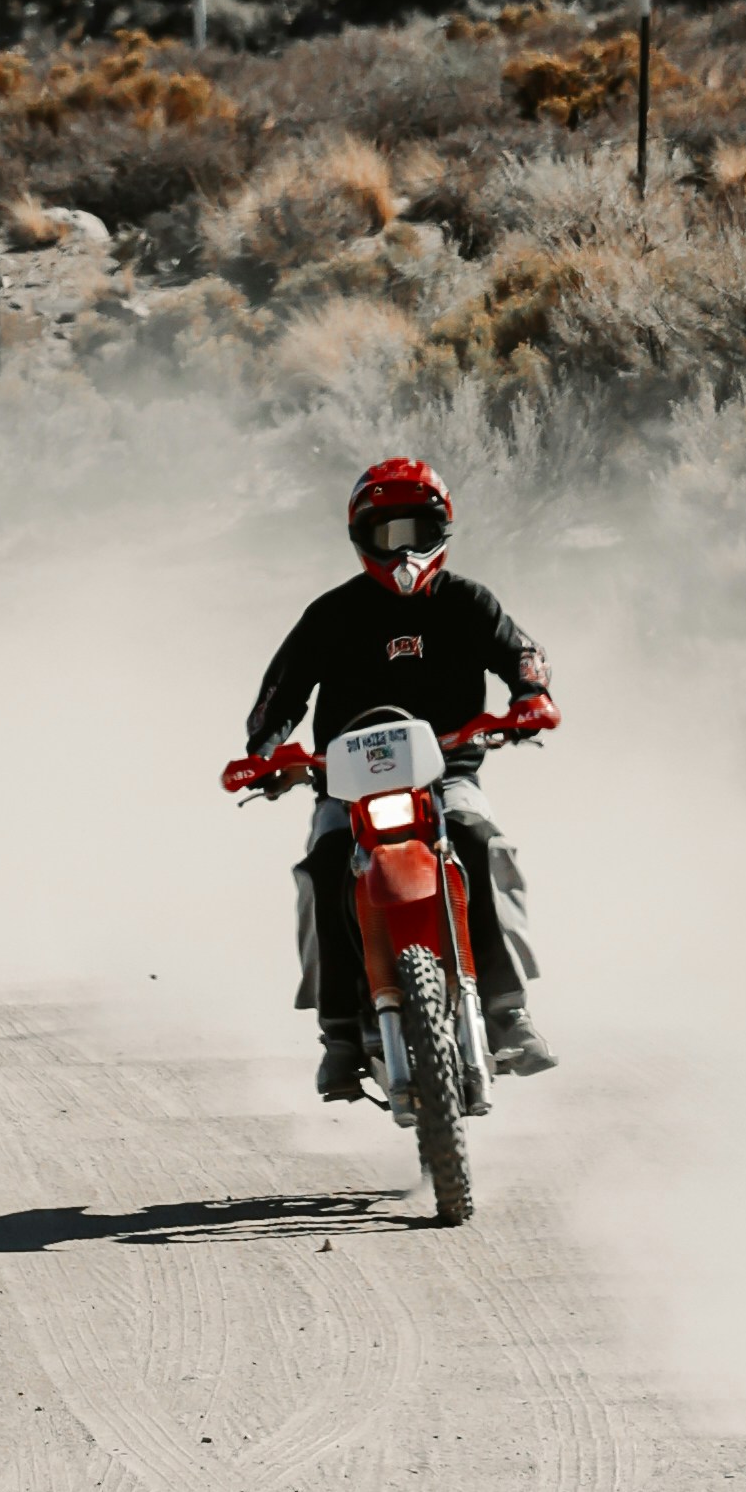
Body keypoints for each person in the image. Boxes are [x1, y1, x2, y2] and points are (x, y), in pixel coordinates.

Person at [238, 455, 556, 1093]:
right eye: (388, 535)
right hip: (348, 783)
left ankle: (509, 1010)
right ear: (364, 539)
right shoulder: (332, 614)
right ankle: (340, 1033)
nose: (403, 549)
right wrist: (265, 749)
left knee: (483, 845)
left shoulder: (467, 601)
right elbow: (280, 693)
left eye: (415, 530)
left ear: (440, 529)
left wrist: (530, 697)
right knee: (327, 864)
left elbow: (521, 651)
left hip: (447, 775)